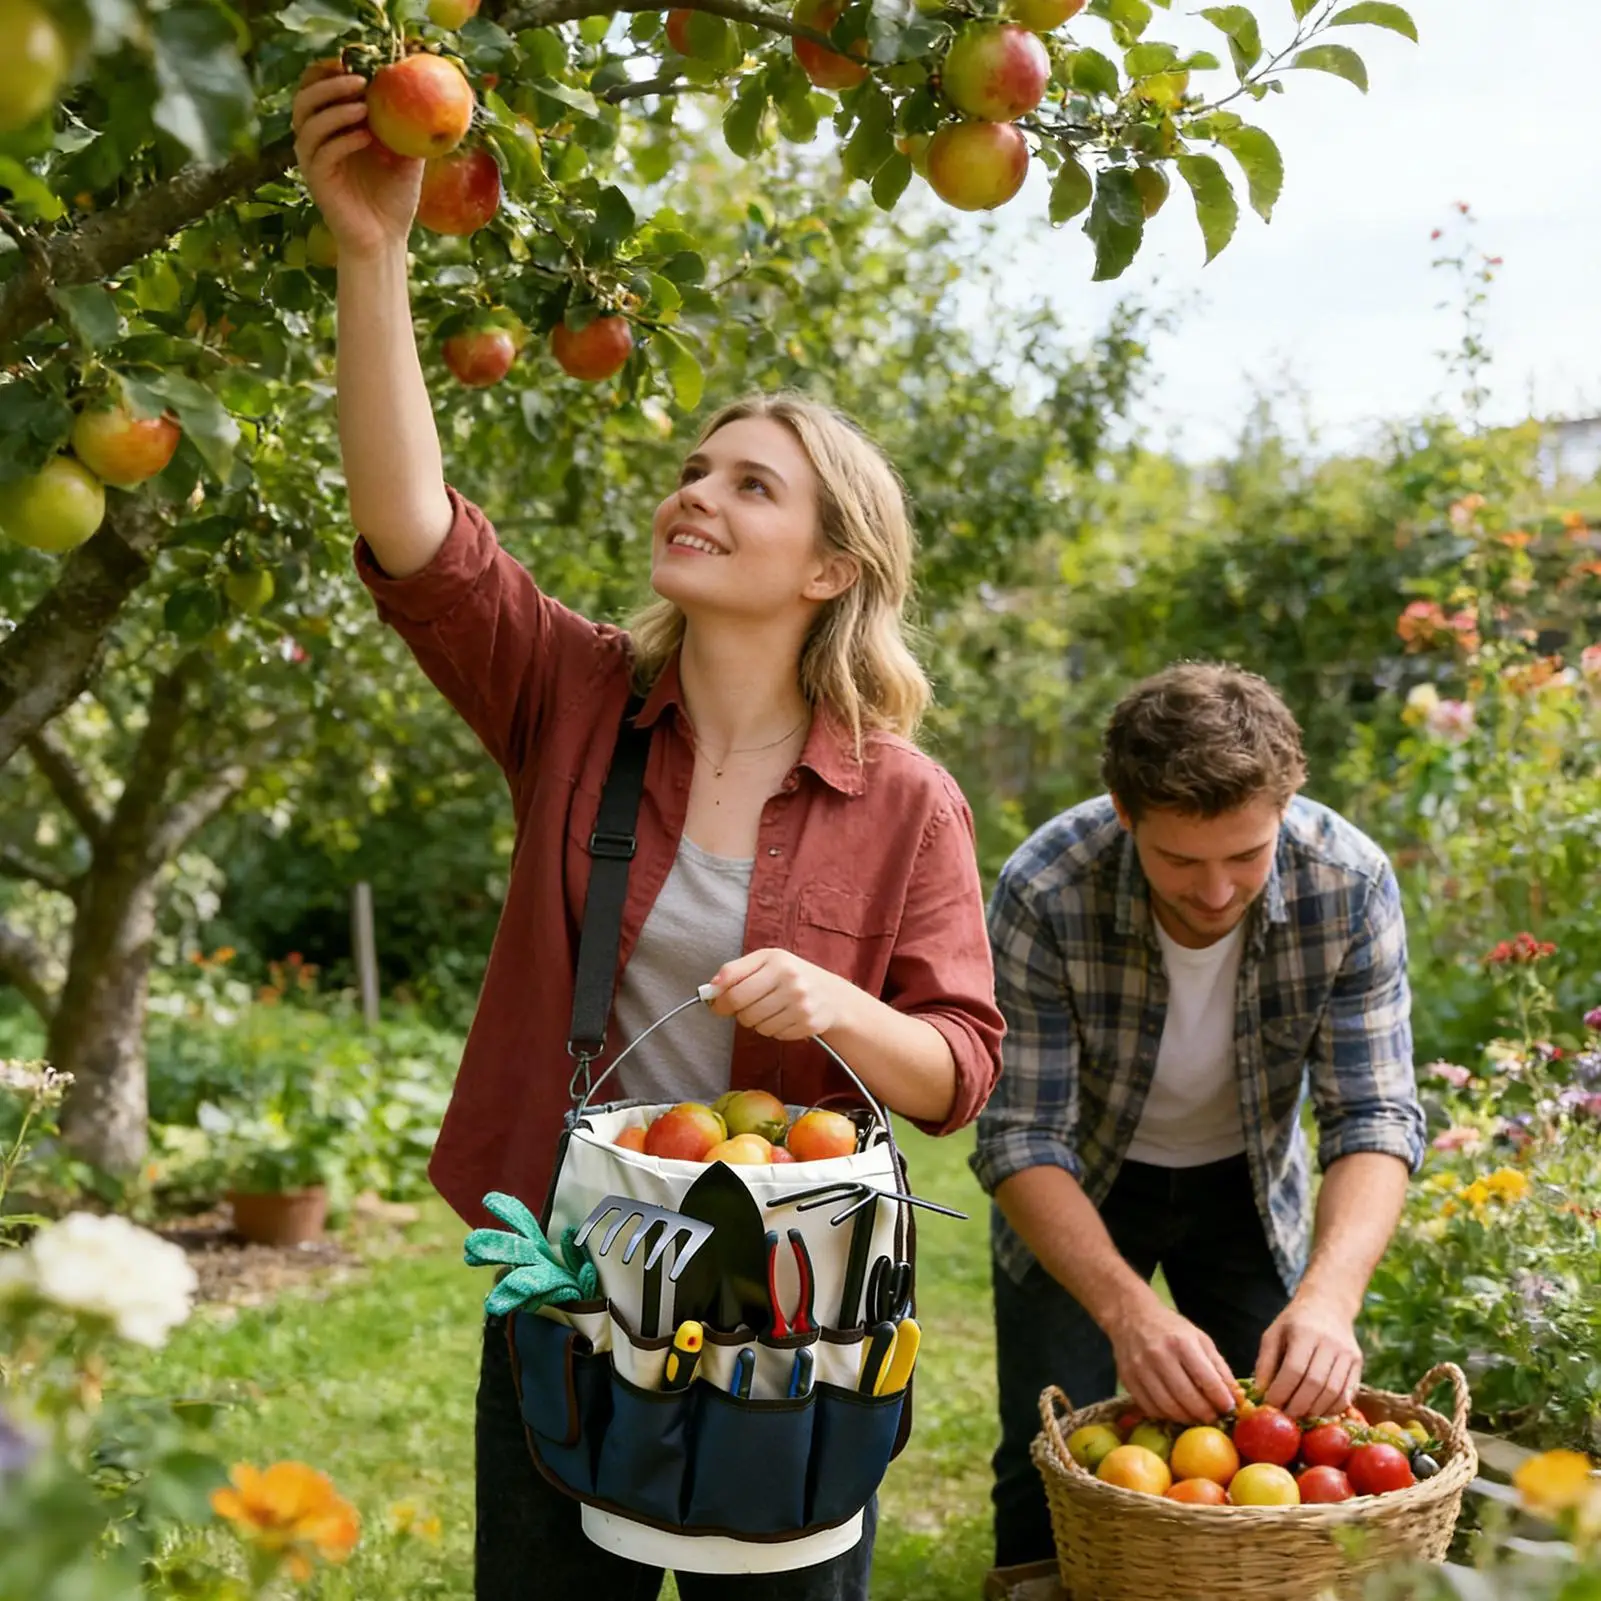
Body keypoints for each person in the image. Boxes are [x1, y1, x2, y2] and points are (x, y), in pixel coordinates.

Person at [291, 68, 1006, 1601]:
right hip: (573, 1277)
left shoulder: (903, 798)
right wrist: (375, 256)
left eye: (752, 487)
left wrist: (836, 1006)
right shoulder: (575, 702)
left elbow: (959, 1070)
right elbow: (417, 534)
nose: (697, 493)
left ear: (830, 569)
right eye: (696, 469)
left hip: (790, 1301)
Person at [972, 662, 1425, 1570]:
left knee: (1280, 1448)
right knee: (1047, 1453)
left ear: (1285, 805)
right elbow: (1020, 1133)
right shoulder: (1045, 887)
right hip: (1083, 1187)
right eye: (1180, 859)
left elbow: (1372, 1113)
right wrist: (1127, 1313)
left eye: (1245, 855)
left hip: (1246, 1187)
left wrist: (1330, 1298)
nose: (1215, 890)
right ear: (1123, 810)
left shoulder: (1350, 882)